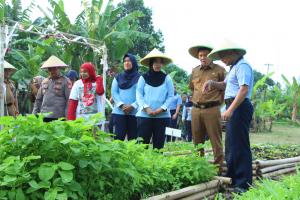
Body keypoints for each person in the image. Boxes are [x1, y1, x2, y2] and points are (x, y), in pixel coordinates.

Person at [206, 39, 254, 192]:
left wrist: (231, 109)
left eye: (223, 56)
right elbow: (226, 85)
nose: (221, 59)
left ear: (233, 53)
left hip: (239, 106)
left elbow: (243, 90)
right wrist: (213, 83)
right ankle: (233, 177)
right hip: (233, 105)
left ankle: (243, 183)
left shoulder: (243, 66)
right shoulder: (234, 67)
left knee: (239, 144)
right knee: (231, 144)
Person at [188, 44, 225, 170]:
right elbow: (192, 88)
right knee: (197, 140)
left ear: (211, 56)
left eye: (206, 55)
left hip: (212, 109)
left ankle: (218, 168)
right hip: (196, 109)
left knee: (216, 140)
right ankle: (199, 167)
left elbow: (226, 86)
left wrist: (221, 103)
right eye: (200, 55)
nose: (203, 57)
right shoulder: (195, 70)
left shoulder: (220, 70)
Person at [136, 48, 174, 149]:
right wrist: (146, 108)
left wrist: (161, 109)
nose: (158, 64)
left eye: (160, 62)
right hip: (144, 116)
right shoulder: (143, 78)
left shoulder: (167, 78)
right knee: (142, 146)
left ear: (162, 64)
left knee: (159, 146)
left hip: (162, 116)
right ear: (151, 63)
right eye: (155, 62)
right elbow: (139, 94)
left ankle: (158, 164)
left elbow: (171, 96)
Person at [33, 56, 72, 122]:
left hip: (59, 117)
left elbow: (69, 101)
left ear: (59, 68)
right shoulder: (44, 81)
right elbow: (38, 100)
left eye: (54, 69)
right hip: (44, 115)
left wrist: (67, 117)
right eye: (50, 69)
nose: (52, 71)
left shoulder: (66, 81)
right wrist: (34, 114)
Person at [111, 53, 140, 140]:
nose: (126, 63)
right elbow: (114, 92)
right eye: (125, 61)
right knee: (118, 138)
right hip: (119, 112)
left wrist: (133, 106)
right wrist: (121, 105)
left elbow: (141, 94)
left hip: (134, 113)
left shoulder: (140, 78)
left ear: (134, 63)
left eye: (129, 61)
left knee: (133, 139)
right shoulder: (117, 77)